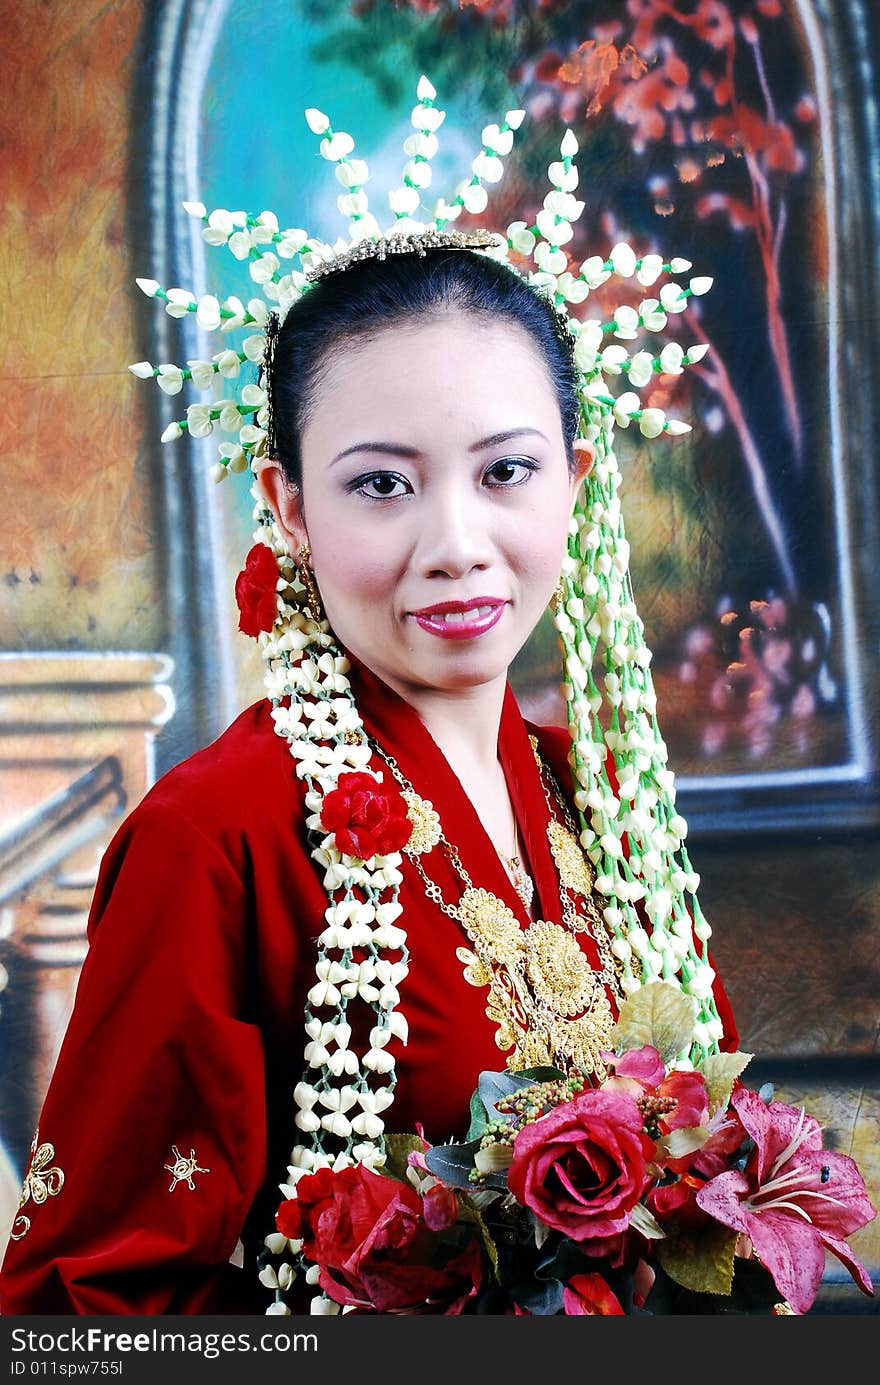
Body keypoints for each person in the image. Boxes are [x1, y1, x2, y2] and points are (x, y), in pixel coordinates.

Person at [0, 82, 739, 1317]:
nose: (455, 542)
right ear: (290, 509)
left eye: (506, 469)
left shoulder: (600, 807)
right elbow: (82, 1328)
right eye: (382, 485)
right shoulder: (215, 838)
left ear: (575, 477)